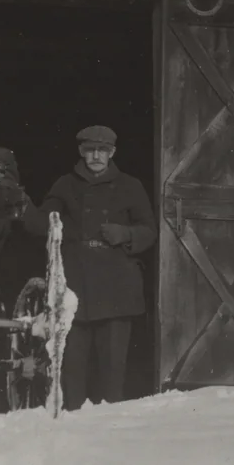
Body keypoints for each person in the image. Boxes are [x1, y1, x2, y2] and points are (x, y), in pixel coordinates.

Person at [23, 125, 155, 410]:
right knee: (72, 371)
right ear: (81, 152)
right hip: (76, 287)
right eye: (90, 150)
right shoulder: (65, 185)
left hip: (117, 287)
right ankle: (73, 428)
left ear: (112, 153)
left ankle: (110, 432)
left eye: (102, 151)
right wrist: (22, 208)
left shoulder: (131, 186)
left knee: (112, 372)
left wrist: (125, 234)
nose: (96, 156)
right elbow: (42, 223)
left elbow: (149, 231)